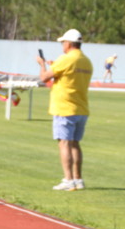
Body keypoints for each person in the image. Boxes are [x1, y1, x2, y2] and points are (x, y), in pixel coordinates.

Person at [38, 28, 93, 191]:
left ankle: (68, 179)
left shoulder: (66, 59)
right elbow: (70, 75)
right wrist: (55, 66)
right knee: (75, 144)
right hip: (81, 107)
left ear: (68, 43)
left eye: (63, 42)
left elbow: (44, 77)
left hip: (64, 107)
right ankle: (78, 179)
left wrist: (42, 65)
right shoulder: (86, 60)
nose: (62, 45)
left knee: (64, 143)